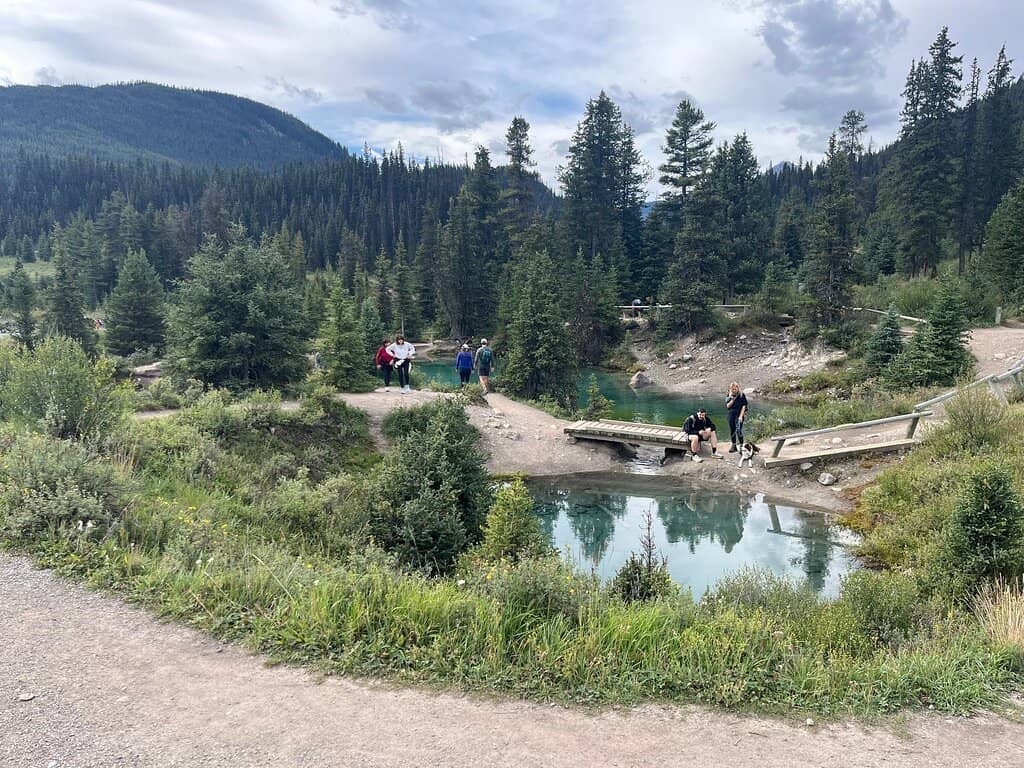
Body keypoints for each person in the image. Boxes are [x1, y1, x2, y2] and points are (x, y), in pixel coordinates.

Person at [726, 382, 748, 453]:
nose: (734, 390)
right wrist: (732, 399)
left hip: (739, 414)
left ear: (738, 388)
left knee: (739, 430)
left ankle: (741, 445)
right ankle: (734, 445)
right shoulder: (729, 396)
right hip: (731, 414)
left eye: (735, 388)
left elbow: (744, 406)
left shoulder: (742, 395)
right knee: (732, 430)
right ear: (731, 389)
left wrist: (741, 416)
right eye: (733, 389)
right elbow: (728, 406)